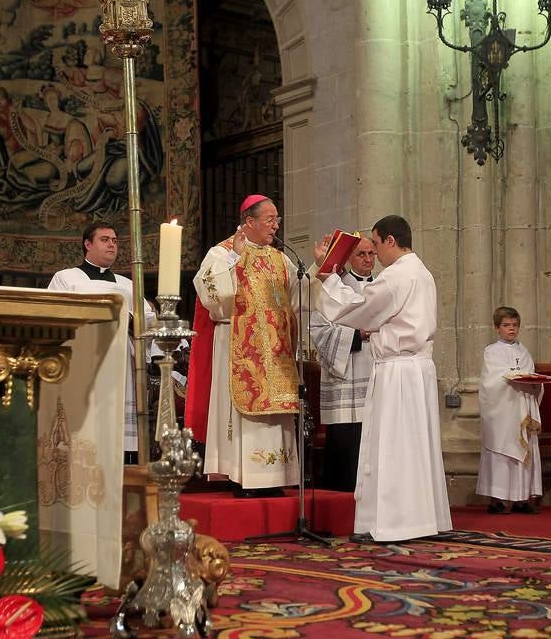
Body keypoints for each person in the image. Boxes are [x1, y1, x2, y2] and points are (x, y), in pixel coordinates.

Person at [313, 214, 451, 543]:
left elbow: (356, 310)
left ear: (390, 240)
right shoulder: (423, 272)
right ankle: (423, 519)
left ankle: (392, 523)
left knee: (390, 447)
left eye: (375, 243)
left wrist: (328, 275)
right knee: (416, 447)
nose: (374, 252)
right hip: (418, 369)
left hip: (397, 372)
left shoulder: (396, 277)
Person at [185, 194, 301, 494]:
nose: (275, 226)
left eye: (277, 219)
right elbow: (214, 297)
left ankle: (275, 477)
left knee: (275, 417)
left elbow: (300, 296)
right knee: (245, 412)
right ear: (249, 222)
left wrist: (321, 270)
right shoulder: (222, 253)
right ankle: (242, 476)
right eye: (269, 219)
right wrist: (236, 260)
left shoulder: (279, 257)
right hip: (238, 348)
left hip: (275, 354)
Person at [47, 221, 156, 463]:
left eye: (115, 241)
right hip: (85, 360)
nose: (112, 245)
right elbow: (56, 316)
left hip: (122, 365)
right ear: (87, 244)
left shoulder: (128, 284)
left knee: (119, 438)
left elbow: (149, 320)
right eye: (105, 240)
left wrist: (129, 319)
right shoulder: (66, 278)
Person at [309, 236, 376, 491]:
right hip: (346, 374)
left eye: (371, 253)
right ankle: (341, 495)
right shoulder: (333, 287)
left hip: (374, 372)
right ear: (349, 257)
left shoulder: (382, 286)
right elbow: (318, 328)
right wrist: (356, 336)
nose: (368, 259)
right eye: (361, 254)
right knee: (347, 443)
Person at [476, 306, 542, 514]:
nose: (511, 329)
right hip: (502, 410)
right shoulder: (492, 351)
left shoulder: (524, 351)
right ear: (497, 328)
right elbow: (490, 382)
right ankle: (497, 499)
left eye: (514, 325)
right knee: (500, 452)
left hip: (522, 408)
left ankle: (521, 498)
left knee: (523, 449)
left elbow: (531, 374)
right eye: (506, 325)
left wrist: (532, 380)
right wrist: (514, 376)